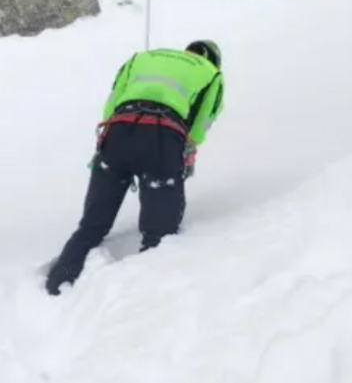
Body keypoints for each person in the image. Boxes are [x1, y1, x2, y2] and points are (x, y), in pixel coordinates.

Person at [44, 40, 225, 296]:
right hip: (162, 139)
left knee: (92, 226)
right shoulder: (212, 73)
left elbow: (111, 103)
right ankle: (142, 301)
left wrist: (107, 146)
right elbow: (202, 122)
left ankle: (56, 287)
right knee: (160, 236)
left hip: (118, 132)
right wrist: (186, 151)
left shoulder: (141, 58)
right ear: (214, 59)